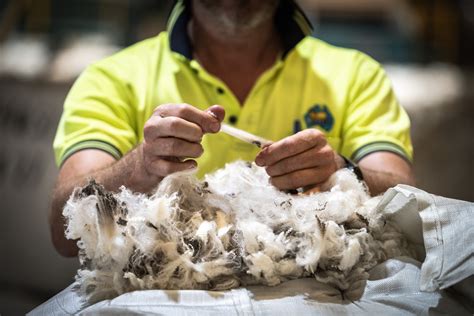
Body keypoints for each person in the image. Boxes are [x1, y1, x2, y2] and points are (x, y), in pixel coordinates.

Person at [50, 0, 415, 257]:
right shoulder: (112, 79)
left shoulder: (355, 75)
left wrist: (341, 171)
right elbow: (63, 234)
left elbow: (409, 203)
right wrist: (140, 167)